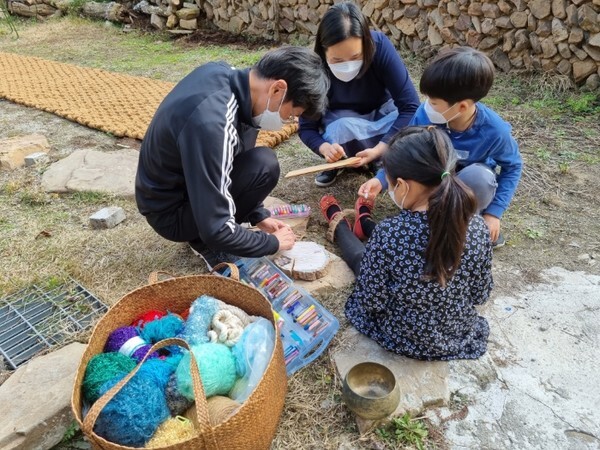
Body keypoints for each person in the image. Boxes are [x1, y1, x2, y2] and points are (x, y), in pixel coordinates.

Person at [135, 47, 330, 268]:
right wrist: (271, 243)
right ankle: (202, 242)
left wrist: (257, 215)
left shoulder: (228, 77)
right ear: (278, 89)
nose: (289, 122)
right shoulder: (213, 123)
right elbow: (217, 230)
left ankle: (211, 222)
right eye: (292, 114)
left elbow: (233, 159)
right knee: (260, 170)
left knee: (263, 164)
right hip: (170, 214)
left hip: (184, 190)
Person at [320, 126, 493, 360]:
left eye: (390, 184)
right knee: (376, 254)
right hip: (456, 335)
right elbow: (480, 294)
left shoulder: (389, 234)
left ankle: (341, 223)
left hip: (400, 336)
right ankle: (362, 221)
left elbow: (371, 302)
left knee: (364, 261)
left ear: (402, 185)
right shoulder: (478, 226)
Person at [360, 47, 522, 247]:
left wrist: (494, 213)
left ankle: (468, 222)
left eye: (434, 102)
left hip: (466, 186)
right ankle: (427, 219)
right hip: (434, 179)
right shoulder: (425, 115)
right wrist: (381, 179)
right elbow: (406, 151)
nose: (427, 106)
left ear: (461, 106)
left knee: (481, 178)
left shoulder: (494, 131)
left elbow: (513, 166)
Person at [298, 1, 419, 188]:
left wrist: (380, 148)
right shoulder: (315, 67)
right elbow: (307, 127)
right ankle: (338, 162)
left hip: (382, 115)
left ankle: (377, 157)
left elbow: (410, 107)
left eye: (356, 57)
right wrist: (325, 148)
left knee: (417, 122)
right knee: (338, 129)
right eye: (337, 60)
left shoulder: (380, 47)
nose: (347, 65)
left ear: (367, 43)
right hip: (342, 121)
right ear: (323, 51)